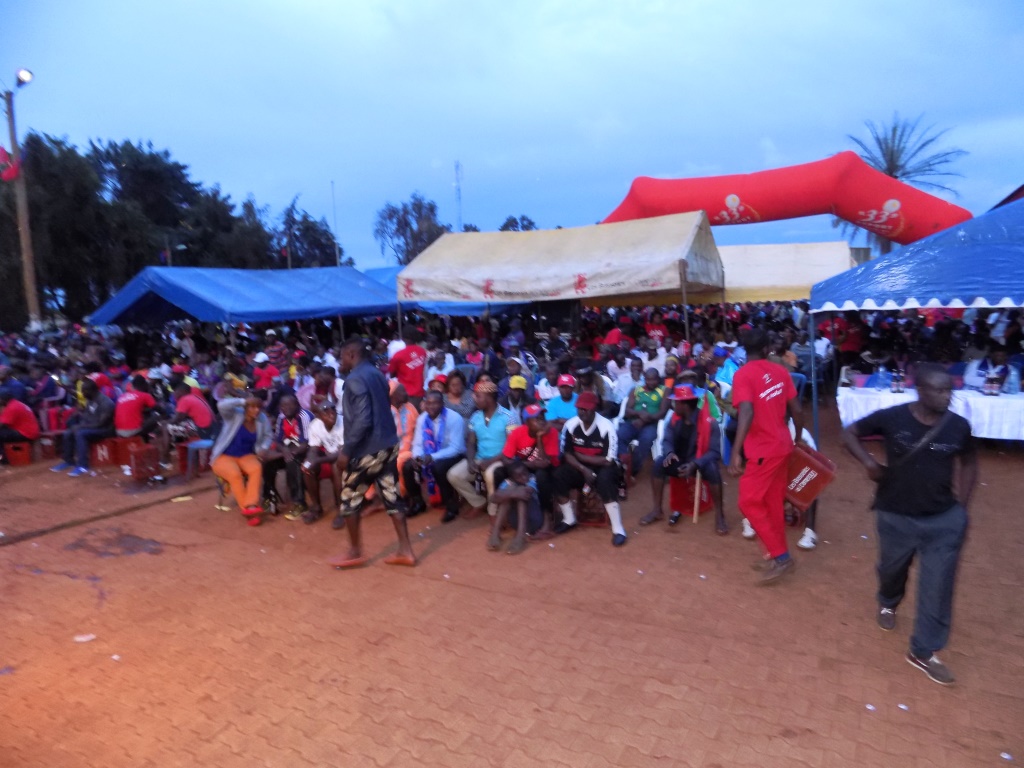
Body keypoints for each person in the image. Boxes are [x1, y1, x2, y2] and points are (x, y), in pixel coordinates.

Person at [841, 364, 976, 686]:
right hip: (895, 516)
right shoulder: (893, 417)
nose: (947, 396)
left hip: (942, 520)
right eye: (939, 390)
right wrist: (869, 462)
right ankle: (888, 602)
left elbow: (970, 463)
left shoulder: (959, 426)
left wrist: (961, 509)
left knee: (937, 587)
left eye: (949, 390)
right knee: (892, 570)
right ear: (921, 390)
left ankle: (923, 650)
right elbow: (849, 432)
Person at [329, 336, 416, 569]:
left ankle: (355, 551)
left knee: (349, 498)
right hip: (388, 445)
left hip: (368, 449)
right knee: (392, 497)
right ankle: (405, 550)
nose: (340, 361)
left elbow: (363, 419)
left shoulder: (354, 379)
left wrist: (347, 451)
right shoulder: (377, 374)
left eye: (342, 356)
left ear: (351, 355)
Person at [728, 327, 803, 585]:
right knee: (771, 505)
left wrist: (735, 451)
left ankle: (782, 557)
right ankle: (774, 554)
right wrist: (798, 437)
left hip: (763, 450)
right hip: (782, 445)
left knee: (748, 502)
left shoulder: (742, 375)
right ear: (766, 349)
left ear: (744, 349)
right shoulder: (781, 371)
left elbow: (746, 412)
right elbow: (797, 409)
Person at [642, 384, 726, 533]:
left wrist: (695, 464)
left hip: (699, 462)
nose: (674, 405)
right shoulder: (674, 420)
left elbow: (714, 452)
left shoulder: (710, 422)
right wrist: (669, 453)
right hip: (679, 460)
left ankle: (720, 515)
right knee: (658, 464)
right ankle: (657, 510)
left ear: (684, 405)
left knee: (713, 469)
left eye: (676, 402)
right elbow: (666, 440)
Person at [553, 391, 627, 546]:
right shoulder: (570, 425)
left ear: (594, 409)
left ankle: (618, 529)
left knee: (606, 479)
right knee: (559, 475)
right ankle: (569, 519)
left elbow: (608, 460)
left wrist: (581, 457)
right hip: (580, 468)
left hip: (603, 467)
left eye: (586, 409)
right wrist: (583, 468)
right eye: (580, 409)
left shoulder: (606, 427)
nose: (582, 412)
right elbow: (567, 454)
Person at [447, 380, 514, 521]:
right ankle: (478, 502)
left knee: (490, 475)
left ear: (489, 398)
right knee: (454, 475)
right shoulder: (475, 417)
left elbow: (512, 447)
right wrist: (471, 460)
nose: (474, 399)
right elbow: (471, 443)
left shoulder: (508, 417)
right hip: (480, 459)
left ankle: (493, 512)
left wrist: (490, 462)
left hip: (501, 460)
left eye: (478, 396)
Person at [497, 403, 559, 539]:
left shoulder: (552, 432)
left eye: (542, 417)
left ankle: (547, 520)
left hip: (549, 469)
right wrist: (527, 464)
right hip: (526, 467)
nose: (542, 420)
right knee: (499, 472)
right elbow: (506, 458)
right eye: (537, 418)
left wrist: (539, 437)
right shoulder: (518, 433)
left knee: (542, 476)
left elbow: (544, 463)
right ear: (527, 422)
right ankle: (503, 516)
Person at [211, 393, 273, 525]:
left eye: (259, 407)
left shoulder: (262, 419)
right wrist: (243, 401)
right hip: (223, 456)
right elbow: (221, 405)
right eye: (252, 407)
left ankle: (251, 504)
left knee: (256, 468)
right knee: (235, 474)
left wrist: (264, 447)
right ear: (246, 407)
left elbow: (268, 435)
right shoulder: (234, 415)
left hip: (246, 455)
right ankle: (248, 509)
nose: (256, 410)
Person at [403, 390, 466, 521]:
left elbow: (456, 447)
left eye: (435, 403)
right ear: (424, 404)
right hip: (429, 454)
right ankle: (418, 503)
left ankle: (451, 506)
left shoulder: (454, 418)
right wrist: (417, 457)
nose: (431, 406)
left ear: (442, 404)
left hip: (454, 455)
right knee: (408, 466)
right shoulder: (422, 419)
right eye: (428, 403)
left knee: (438, 467)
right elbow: (418, 444)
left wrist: (433, 457)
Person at [50, 378, 115, 478]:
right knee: (68, 432)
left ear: (92, 391)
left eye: (84, 391)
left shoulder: (106, 402)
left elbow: (101, 424)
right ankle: (68, 461)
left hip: (105, 430)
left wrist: (81, 426)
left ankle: (83, 465)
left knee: (80, 433)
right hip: (93, 427)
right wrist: (79, 424)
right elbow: (87, 418)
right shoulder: (90, 400)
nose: (82, 393)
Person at [265, 394, 312, 519]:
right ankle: (269, 496)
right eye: (283, 406)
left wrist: (290, 453)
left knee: (292, 461)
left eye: (290, 404)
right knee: (268, 463)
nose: (287, 408)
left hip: (306, 452)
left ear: (297, 405)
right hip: (288, 449)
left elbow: (305, 444)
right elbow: (277, 441)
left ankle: (300, 503)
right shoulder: (281, 417)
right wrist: (284, 451)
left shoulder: (304, 416)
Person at [616, 368, 666, 477]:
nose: (651, 382)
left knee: (646, 440)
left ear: (658, 379)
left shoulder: (664, 390)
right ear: (645, 379)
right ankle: (622, 463)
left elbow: (662, 413)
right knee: (620, 435)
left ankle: (632, 469)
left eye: (654, 379)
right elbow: (627, 411)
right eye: (648, 379)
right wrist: (639, 414)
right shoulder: (636, 390)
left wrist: (644, 420)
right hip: (633, 422)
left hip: (651, 424)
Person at [301, 401, 345, 524]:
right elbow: (313, 449)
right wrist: (309, 462)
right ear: (319, 416)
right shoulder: (315, 425)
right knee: (308, 469)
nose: (331, 415)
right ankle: (316, 508)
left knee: (337, 466)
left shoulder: (344, 423)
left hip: (348, 458)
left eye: (333, 412)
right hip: (328, 456)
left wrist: (317, 460)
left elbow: (341, 454)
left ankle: (341, 510)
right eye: (326, 413)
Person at [488, 460, 543, 555]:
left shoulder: (531, 478)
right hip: (515, 522)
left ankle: (521, 536)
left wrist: (512, 493)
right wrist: (512, 493)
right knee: (509, 493)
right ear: (512, 478)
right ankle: (496, 533)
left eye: (525, 473)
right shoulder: (508, 482)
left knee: (521, 492)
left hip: (533, 520)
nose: (524, 477)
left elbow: (526, 493)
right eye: (519, 476)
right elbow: (493, 498)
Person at [155, 381, 216, 466]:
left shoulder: (185, 400)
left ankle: (165, 459)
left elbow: (176, 420)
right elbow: (182, 417)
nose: (174, 394)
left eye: (175, 391)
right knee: (166, 427)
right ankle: (166, 454)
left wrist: (164, 422)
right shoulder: (193, 396)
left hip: (203, 429)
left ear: (181, 391)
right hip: (210, 427)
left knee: (165, 427)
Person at [388, 328, 428, 409]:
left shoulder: (398, 355)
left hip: (404, 395)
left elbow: (391, 374)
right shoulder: (422, 351)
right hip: (420, 394)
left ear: (403, 338)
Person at [114, 376, 161, 440]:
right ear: (144, 385)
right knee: (156, 417)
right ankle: (150, 439)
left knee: (142, 417)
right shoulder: (145, 395)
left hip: (118, 432)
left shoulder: (122, 396)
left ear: (132, 386)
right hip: (133, 432)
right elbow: (159, 409)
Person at [0, 391, 39, 460]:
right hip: (29, 431)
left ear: (3, 399)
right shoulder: (16, 403)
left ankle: (4, 458)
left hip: (26, 433)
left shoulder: (12, 407)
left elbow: (1, 424)